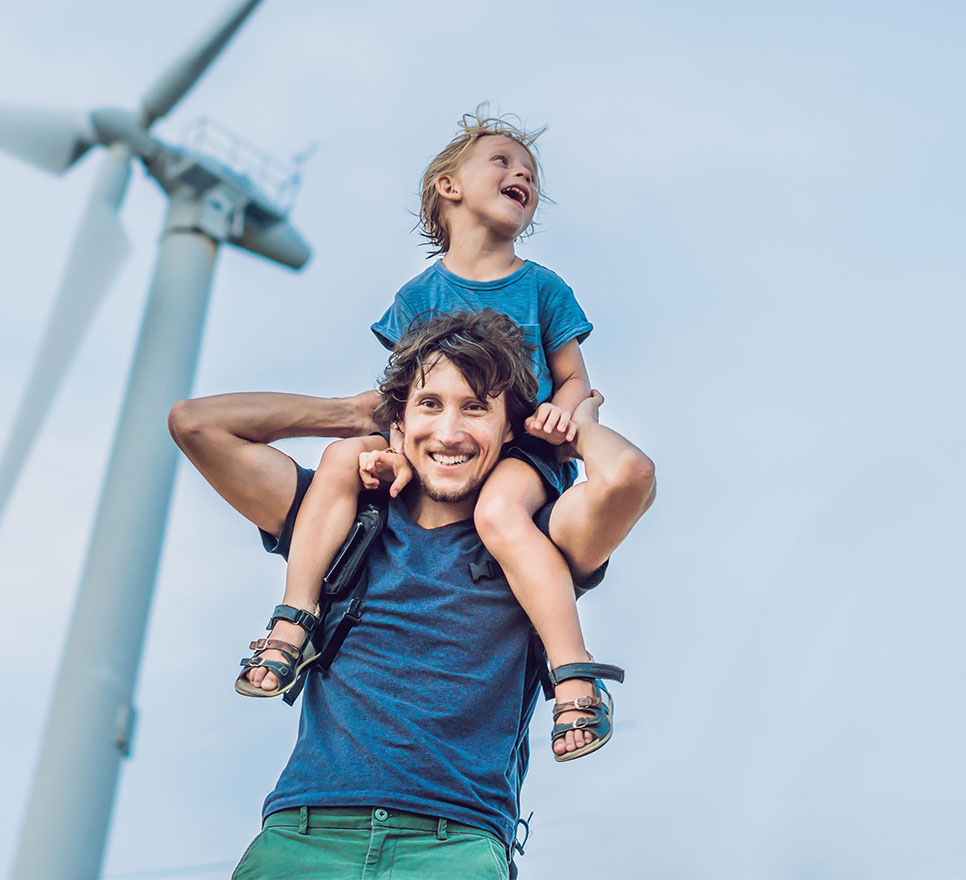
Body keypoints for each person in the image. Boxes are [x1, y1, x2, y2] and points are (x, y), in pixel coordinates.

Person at [168, 311, 655, 878]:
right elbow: (195, 424)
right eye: (429, 404)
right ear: (396, 424)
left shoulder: (535, 541)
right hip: (303, 836)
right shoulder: (340, 521)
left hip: (457, 845)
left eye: (476, 407)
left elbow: (628, 477)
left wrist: (579, 421)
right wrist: (351, 416)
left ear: (508, 430)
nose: (449, 432)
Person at [235, 109, 616, 760]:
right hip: (438, 446)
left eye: (529, 171)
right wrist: (387, 457)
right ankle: (295, 617)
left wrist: (566, 412)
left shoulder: (544, 288)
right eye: (501, 160)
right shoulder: (417, 296)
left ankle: (572, 671)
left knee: (500, 514)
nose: (520, 172)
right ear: (449, 186)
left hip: (525, 449)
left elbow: (575, 378)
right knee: (338, 457)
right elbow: (403, 399)